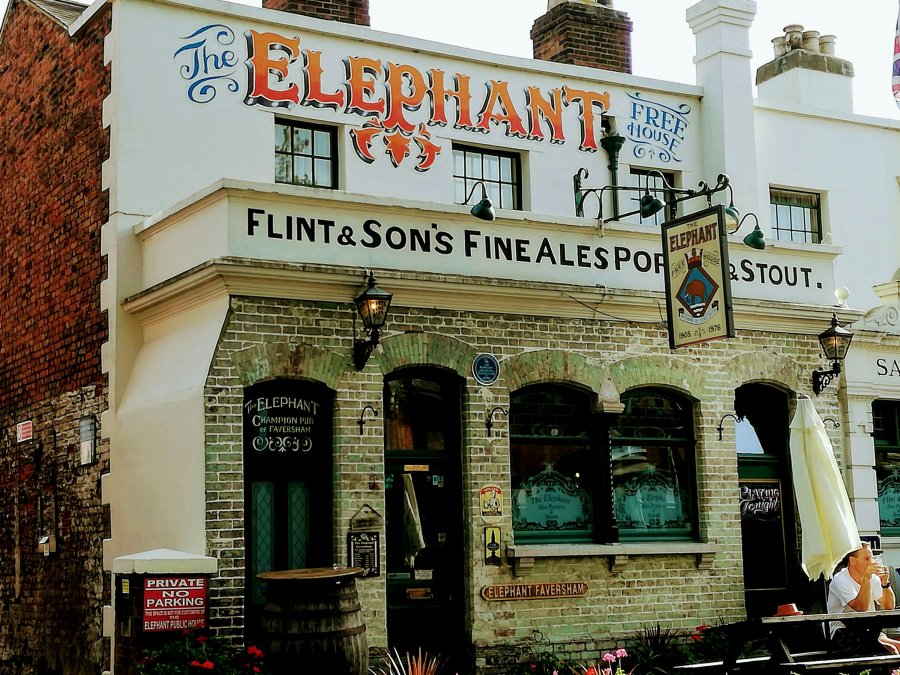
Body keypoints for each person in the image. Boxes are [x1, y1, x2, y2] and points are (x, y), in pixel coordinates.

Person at [827, 543, 900, 654]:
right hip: (843, 633)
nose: (871, 562)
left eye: (871, 557)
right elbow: (861, 608)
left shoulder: (872, 578)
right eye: (866, 559)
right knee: (891, 650)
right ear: (852, 561)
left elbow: (889, 606)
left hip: (868, 631)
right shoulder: (841, 579)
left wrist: (885, 583)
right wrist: (866, 578)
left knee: (898, 647)